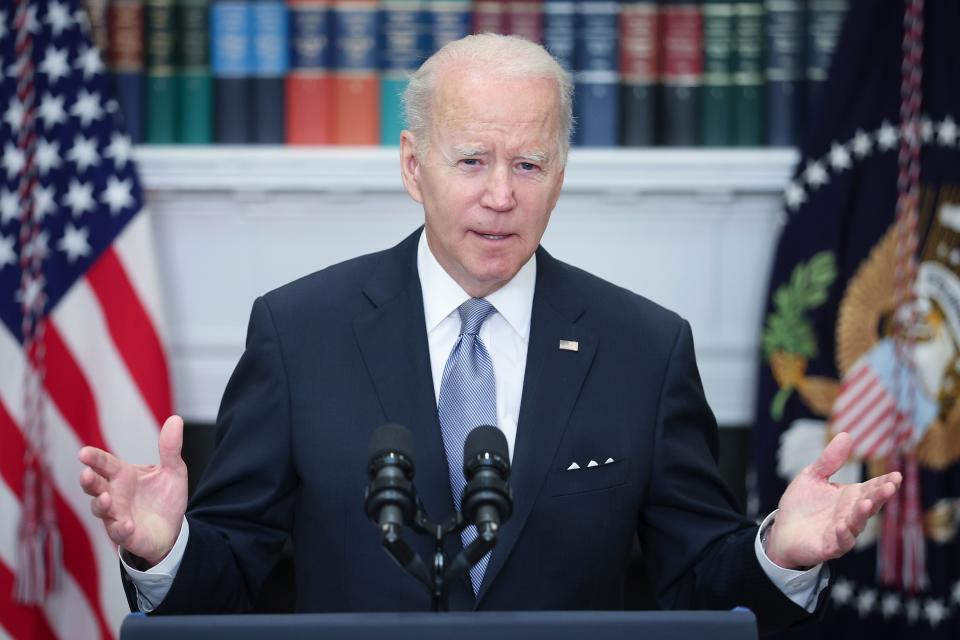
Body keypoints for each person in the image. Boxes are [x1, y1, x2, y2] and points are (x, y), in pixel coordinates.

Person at [78, 35, 900, 634]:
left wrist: (779, 555)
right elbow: (231, 584)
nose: (501, 196)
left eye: (530, 164)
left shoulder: (645, 348)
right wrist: (165, 552)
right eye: (471, 160)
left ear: (562, 172)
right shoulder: (299, 333)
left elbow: (700, 583)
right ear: (413, 166)